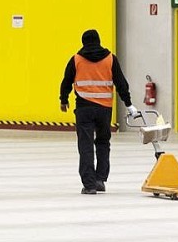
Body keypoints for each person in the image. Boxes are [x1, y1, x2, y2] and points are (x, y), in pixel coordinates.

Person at [59, 29, 139, 195]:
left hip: (84, 108)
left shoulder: (76, 59)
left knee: (86, 145)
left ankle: (89, 185)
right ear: (99, 41)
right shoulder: (110, 59)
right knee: (103, 143)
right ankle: (100, 180)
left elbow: (66, 81)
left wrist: (63, 100)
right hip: (104, 109)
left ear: (83, 42)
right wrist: (129, 104)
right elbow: (121, 83)